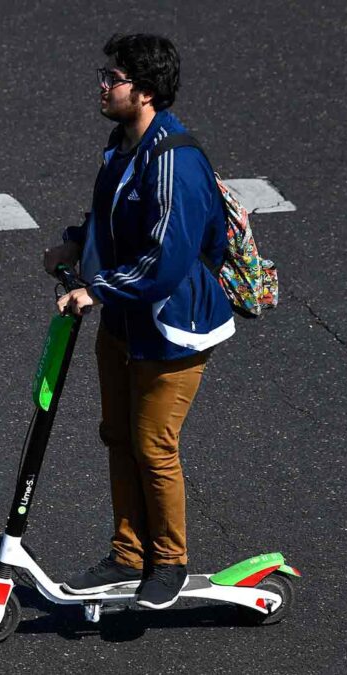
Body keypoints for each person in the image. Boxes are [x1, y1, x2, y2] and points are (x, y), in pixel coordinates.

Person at [42, 33, 236, 610]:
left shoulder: (174, 161)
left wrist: (93, 288)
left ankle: (169, 561)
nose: (103, 85)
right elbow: (111, 213)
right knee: (117, 435)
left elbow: (166, 262)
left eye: (115, 78)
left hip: (173, 324)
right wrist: (77, 244)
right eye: (105, 73)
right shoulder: (122, 141)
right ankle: (128, 555)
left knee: (154, 445)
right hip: (128, 319)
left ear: (145, 92)